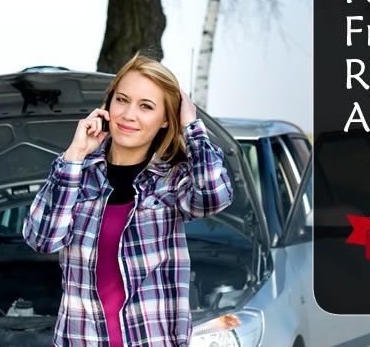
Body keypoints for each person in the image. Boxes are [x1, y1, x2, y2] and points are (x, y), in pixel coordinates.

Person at [23, 53, 234, 346]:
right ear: (108, 105)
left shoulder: (172, 179)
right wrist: (74, 153)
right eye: (122, 100)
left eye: (146, 106)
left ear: (164, 121)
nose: (128, 114)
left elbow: (214, 196)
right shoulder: (77, 173)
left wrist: (191, 125)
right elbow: (42, 239)